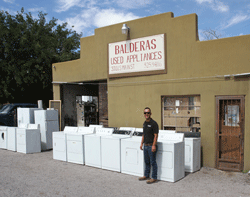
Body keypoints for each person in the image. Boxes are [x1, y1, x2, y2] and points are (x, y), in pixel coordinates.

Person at [139, 107, 159, 184]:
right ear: (144, 114)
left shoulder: (154, 123)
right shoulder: (144, 123)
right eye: (145, 113)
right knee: (146, 161)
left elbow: (156, 135)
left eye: (148, 113)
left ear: (150, 114)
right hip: (145, 145)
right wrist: (141, 143)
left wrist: (154, 145)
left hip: (151, 146)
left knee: (153, 162)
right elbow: (144, 135)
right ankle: (146, 175)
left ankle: (154, 177)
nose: (146, 114)